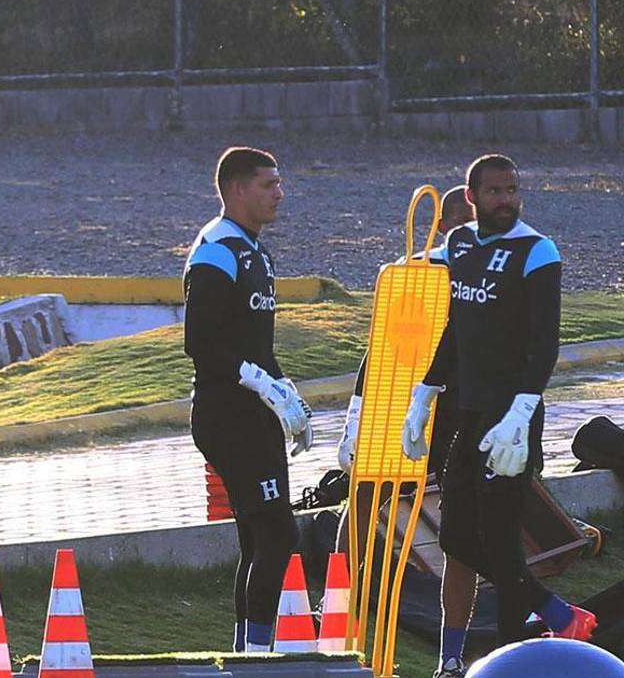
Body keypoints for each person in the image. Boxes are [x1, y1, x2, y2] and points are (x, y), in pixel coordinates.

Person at [402, 154, 596, 677]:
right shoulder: (460, 246)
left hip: (513, 420)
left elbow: (545, 343)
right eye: (495, 192)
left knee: (501, 538)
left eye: (513, 189)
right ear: (472, 197)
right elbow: (457, 327)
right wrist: (425, 391)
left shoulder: (537, 250)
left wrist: (524, 406)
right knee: (454, 538)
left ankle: (515, 652)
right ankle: (557, 613)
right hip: (469, 414)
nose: (506, 200)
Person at [334, 186, 476, 677]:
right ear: (441, 225)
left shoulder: (503, 274)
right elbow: (380, 348)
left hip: (467, 415)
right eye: (461, 222)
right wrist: (357, 419)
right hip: (412, 405)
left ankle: (451, 656)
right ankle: (338, 613)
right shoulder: (416, 272)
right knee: (364, 501)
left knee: (463, 535)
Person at [184, 146, 313, 653]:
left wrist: (288, 393)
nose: (279, 193)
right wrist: (259, 383)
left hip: (253, 414)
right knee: (279, 535)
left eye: (279, 183)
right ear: (237, 189)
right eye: (268, 184)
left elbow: (257, 346)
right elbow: (202, 343)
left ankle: (245, 653)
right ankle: (257, 656)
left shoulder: (256, 251)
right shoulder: (216, 248)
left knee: (258, 539)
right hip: (228, 414)